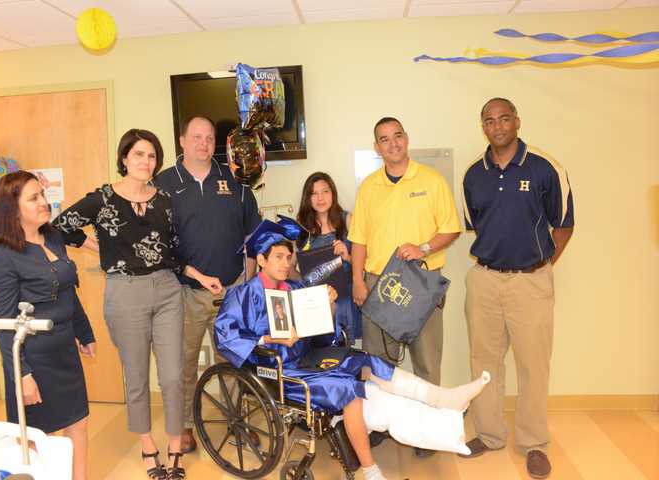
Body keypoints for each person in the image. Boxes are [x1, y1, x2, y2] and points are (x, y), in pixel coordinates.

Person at [214, 219, 491, 480]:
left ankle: (443, 398)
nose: (286, 263)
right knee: (348, 388)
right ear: (261, 260)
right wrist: (272, 340)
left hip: (307, 357)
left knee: (367, 361)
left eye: (288, 257)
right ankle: (369, 470)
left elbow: (320, 333)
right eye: (278, 257)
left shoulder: (296, 287)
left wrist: (329, 305)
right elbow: (225, 336)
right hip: (277, 371)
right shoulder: (243, 295)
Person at [53, 129, 187, 480]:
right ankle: (147, 445)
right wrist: (94, 247)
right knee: (137, 375)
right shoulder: (102, 198)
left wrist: (199, 276)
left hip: (168, 289)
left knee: (173, 375)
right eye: (139, 154)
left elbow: (173, 248)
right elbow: (60, 227)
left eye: (152, 156)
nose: (146, 161)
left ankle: (175, 444)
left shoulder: (166, 199)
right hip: (125, 292)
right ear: (124, 158)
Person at [460, 98, 574, 479]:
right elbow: (478, 225)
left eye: (504, 118)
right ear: (483, 127)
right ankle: (490, 435)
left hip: (531, 282)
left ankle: (534, 444)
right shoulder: (473, 175)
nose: (497, 126)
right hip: (485, 281)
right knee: (485, 364)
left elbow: (563, 225)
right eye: (489, 121)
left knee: (533, 366)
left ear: (517, 122)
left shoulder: (546, 167)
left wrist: (539, 265)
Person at [348, 116, 461, 456]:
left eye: (397, 136)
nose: (392, 143)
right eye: (384, 139)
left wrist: (423, 247)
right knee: (380, 365)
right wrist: (357, 280)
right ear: (377, 147)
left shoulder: (432, 179)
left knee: (426, 361)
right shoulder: (369, 187)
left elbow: (451, 228)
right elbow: (359, 240)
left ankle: (427, 434)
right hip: (377, 284)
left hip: (420, 284)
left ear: (406, 139)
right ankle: (383, 426)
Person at [153, 115, 261, 453]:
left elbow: (252, 234)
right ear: (182, 141)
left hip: (231, 293)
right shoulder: (163, 184)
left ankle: (236, 420)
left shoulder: (235, 178)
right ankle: (183, 426)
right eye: (196, 137)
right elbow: (157, 244)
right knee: (181, 365)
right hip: (182, 294)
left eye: (209, 138)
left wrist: (248, 279)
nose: (203, 143)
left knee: (233, 362)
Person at [0, 171, 96, 480]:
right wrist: (22, 375)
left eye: (42, 195)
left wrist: (84, 333)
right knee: (35, 437)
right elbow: (4, 325)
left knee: (78, 423)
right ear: (12, 208)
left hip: (64, 351)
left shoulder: (54, 237)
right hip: (33, 358)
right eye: (33, 198)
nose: (43, 203)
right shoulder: (2, 256)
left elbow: (67, 293)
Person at [296, 171, 361, 343]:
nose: (320, 198)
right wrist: (306, 282)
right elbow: (291, 270)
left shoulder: (348, 220)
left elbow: (366, 263)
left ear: (333, 193)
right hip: (318, 304)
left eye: (325, 191)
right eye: (314, 193)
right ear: (308, 198)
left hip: (347, 299)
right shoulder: (302, 228)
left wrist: (347, 256)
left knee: (350, 355)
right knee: (322, 357)